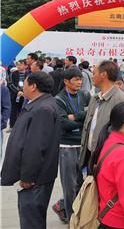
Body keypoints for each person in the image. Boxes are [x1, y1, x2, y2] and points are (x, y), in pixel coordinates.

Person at [0, 72, 62, 228]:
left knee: (31, 220)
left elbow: (35, 147)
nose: (23, 87)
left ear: (33, 86)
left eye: (25, 84)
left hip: (35, 180)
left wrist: (27, 177)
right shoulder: (41, 104)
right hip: (37, 177)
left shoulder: (43, 109)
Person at [53, 68, 91, 223]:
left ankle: (80, 214)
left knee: (83, 184)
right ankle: (70, 217)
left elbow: (91, 114)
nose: (79, 82)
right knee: (69, 186)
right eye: (76, 79)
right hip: (67, 146)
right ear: (66, 81)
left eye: (80, 79)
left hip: (83, 144)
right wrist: (82, 118)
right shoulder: (59, 99)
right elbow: (63, 123)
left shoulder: (85, 95)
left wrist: (75, 116)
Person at [79, 60, 124, 170]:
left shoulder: (123, 99)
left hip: (108, 158)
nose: (92, 76)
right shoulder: (95, 98)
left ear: (103, 75)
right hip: (91, 156)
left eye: (94, 73)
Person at [7, 59, 27, 127]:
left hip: (25, 95)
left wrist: (23, 92)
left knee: (23, 110)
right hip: (14, 95)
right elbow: (10, 83)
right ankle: (12, 125)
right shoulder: (13, 73)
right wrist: (17, 91)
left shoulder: (28, 74)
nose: (18, 66)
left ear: (25, 66)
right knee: (13, 110)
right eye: (17, 64)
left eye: (20, 64)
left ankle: (20, 125)